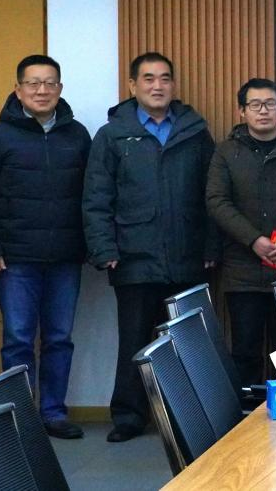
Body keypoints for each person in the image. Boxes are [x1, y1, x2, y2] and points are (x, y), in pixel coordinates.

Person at [82, 52, 218, 443]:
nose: (157, 86)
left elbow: (212, 195)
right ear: (132, 85)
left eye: (164, 78)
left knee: (187, 341)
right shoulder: (112, 135)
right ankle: (129, 416)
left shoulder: (195, 132)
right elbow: (96, 197)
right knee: (135, 339)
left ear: (173, 85)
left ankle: (190, 416)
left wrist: (211, 246)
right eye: (148, 78)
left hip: (188, 253)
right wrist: (103, 248)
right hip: (132, 255)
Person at [0, 54, 91, 440]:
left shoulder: (77, 136)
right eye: (33, 83)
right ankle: (19, 418)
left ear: (60, 89)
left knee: (59, 339)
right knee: (18, 339)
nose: (41, 90)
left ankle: (53, 413)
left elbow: (93, 194)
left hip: (66, 256)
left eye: (49, 83)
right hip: (15, 259)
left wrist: (92, 245)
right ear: (18, 90)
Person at [205, 78, 276, 383]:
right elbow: (217, 200)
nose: (263, 111)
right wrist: (253, 240)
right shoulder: (226, 152)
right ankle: (247, 413)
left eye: (270, 104)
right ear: (242, 111)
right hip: (242, 270)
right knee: (245, 353)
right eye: (255, 104)